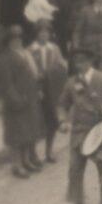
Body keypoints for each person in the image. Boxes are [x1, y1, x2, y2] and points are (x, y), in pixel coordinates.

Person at [60, 47, 102, 204]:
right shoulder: (71, 83)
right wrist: (63, 120)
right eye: (76, 62)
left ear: (91, 61)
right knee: (75, 167)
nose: (79, 65)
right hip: (79, 131)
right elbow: (62, 104)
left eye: (83, 61)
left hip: (99, 129)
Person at [0, 24, 45, 178]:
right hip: (16, 102)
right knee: (16, 135)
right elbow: (7, 84)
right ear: (8, 42)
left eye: (19, 38)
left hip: (29, 99)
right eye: (13, 40)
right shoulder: (5, 58)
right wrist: (16, 99)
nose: (17, 42)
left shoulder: (24, 53)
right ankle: (16, 165)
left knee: (27, 132)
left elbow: (32, 74)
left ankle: (26, 161)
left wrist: (37, 91)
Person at [26, 20, 66, 164]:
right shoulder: (30, 50)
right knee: (35, 122)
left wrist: (56, 71)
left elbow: (62, 66)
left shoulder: (54, 49)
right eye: (41, 33)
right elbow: (28, 72)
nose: (44, 36)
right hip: (36, 90)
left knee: (52, 121)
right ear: (36, 35)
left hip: (51, 90)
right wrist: (36, 86)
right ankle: (33, 154)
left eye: (47, 33)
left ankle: (49, 151)